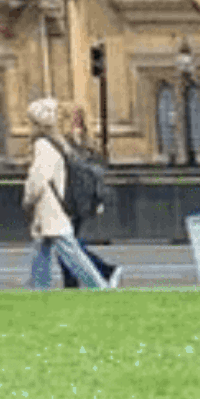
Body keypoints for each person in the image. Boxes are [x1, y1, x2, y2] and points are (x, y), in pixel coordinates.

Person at [22, 97, 111, 290]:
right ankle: (37, 288)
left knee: (70, 251)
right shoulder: (58, 143)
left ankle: (99, 285)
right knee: (42, 247)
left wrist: (28, 198)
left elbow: (38, 178)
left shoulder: (43, 145)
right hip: (53, 205)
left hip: (49, 207)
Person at [55, 102, 121, 287]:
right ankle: (73, 283)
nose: (77, 120)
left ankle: (105, 270)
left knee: (67, 245)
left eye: (79, 116)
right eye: (73, 116)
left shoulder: (85, 144)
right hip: (66, 199)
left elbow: (93, 171)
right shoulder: (62, 142)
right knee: (67, 244)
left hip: (77, 201)